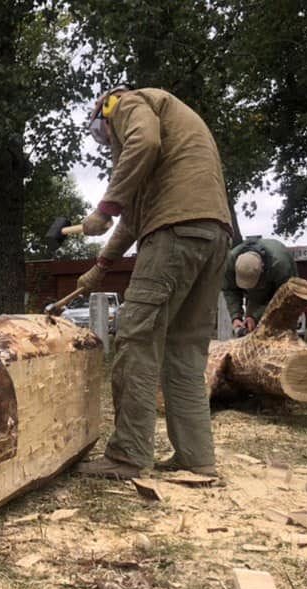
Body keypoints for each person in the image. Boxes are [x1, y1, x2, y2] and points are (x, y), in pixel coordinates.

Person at [72, 86, 233, 480]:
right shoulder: (169, 149)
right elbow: (132, 218)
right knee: (184, 350)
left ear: (104, 112)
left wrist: (103, 207)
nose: (105, 140)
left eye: (100, 132)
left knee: (135, 337)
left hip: (175, 232)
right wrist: (101, 266)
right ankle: (196, 457)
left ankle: (127, 455)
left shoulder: (127, 103)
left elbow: (142, 142)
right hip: (213, 235)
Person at [223, 236, 298, 335]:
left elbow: (284, 298)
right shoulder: (231, 262)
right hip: (256, 296)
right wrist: (236, 317)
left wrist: (255, 316)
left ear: (262, 268)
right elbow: (230, 289)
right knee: (251, 330)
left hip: (281, 293)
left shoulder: (280, 264)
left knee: (280, 333)